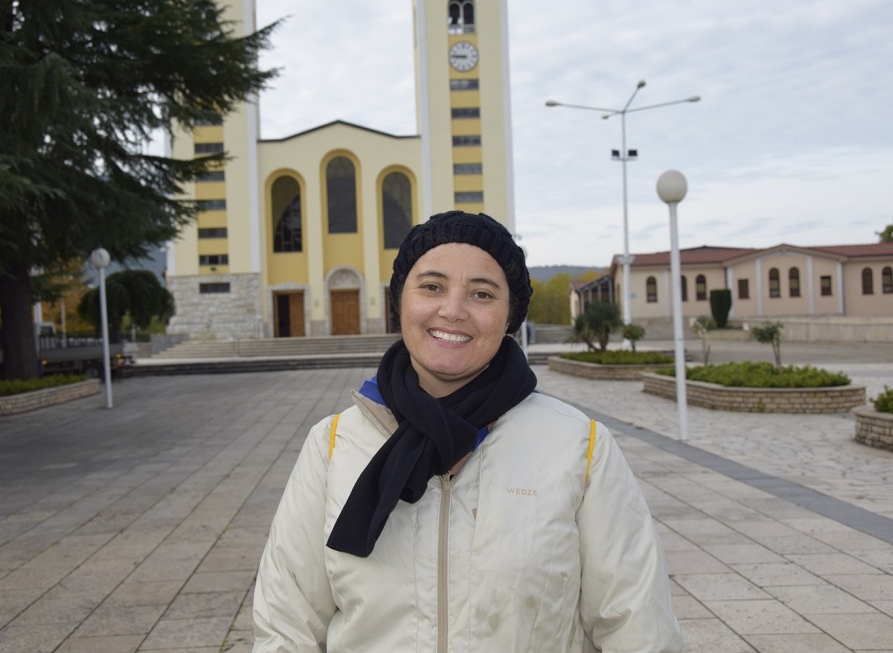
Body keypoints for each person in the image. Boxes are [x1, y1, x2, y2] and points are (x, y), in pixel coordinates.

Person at [253, 211, 682, 652]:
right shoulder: (332, 445)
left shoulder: (579, 448)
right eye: (432, 287)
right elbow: (287, 625)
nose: (453, 311)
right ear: (400, 300)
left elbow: (638, 627)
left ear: (510, 316)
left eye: (482, 294)